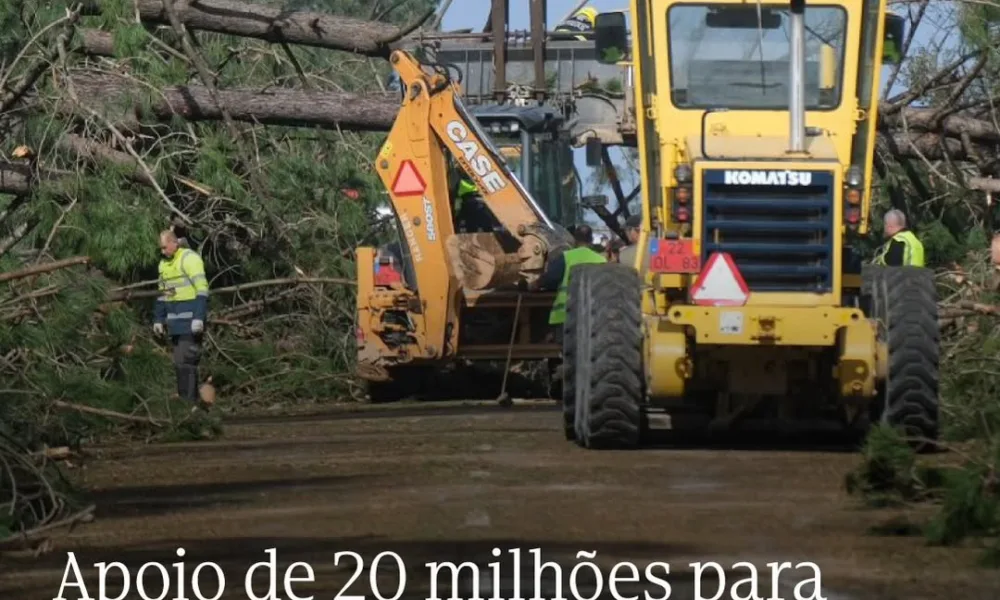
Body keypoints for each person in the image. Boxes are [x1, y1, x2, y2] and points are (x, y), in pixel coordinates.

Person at [153, 229, 210, 406]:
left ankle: (190, 404)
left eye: (164, 247)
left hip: (190, 322)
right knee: (180, 364)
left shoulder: (189, 259)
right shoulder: (164, 264)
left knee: (187, 363)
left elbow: (202, 289)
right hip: (175, 324)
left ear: (174, 243)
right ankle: (186, 404)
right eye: (160, 248)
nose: (162, 251)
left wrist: (199, 317)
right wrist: (158, 319)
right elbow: (163, 294)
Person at [536, 224, 607, 341]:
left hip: (566, 316)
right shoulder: (601, 260)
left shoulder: (565, 257)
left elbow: (550, 279)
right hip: (594, 316)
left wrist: (535, 284)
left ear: (575, 240)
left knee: (566, 354)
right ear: (591, 240)